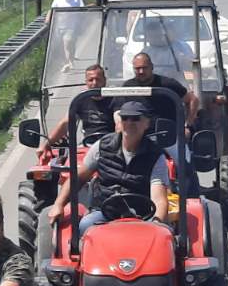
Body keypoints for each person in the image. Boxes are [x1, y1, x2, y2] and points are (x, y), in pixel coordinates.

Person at [48, 100, 170, 235]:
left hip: (142, 214)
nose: (129, 123)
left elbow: (158, 198)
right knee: (85, 226)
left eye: (135, 119)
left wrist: (157, 223)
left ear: (147, 123)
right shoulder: (102, 146)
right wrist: (58, 204)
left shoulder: (156, 156)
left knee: (161, 236)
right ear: (120, 121)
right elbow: (78, 178)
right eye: (125, 118)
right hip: (104, 212)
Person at [40, 64, 116, 156]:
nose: (94, 83)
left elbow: (120, 122)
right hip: (88, 146)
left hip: (111, 146)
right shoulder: (80, 99)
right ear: (86, 82)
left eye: (98, 79)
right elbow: (65, 123)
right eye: (91, 80)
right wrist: (46, 144)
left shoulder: (115, 98)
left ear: (104, 80)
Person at [128, 52, 199, 130]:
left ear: (151, 67)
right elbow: (117, 111)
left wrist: (187, 126)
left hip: (167, 134)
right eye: (138, 68)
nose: (141, 71)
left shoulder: (168, 84)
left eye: (144, 68)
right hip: (136, 134)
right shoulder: (127, 88)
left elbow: (193, 99)